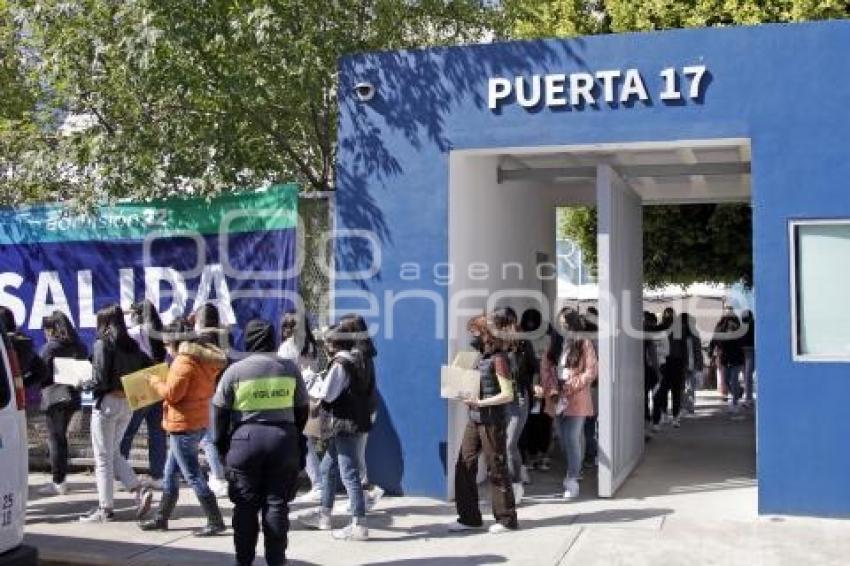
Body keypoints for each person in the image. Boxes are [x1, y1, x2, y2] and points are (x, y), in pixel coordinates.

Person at [212, 319, 309, 566]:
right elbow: (302, 409)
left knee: (245, 507)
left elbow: (220, 413)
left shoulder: (234, 371)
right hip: (282, 440)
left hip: (245, 442)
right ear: (273, 340)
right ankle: (276, 560)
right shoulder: (289, 368)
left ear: (248, 340)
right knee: (277, 504)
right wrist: (293, 436)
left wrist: (222, 446)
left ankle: (243, 561)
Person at [140, 317, 227, 536]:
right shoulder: (202, 359)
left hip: (183, 425)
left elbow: (172, 394)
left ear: (176, 342)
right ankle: (161, 518)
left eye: (167, 343)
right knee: (169, 475)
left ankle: (215, 520)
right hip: (195, 421)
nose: (165, 348)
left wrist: (154, 381)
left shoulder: (183, 361)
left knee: (193, 475)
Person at [300, 317, 375, 540]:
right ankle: (324, 515)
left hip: (343, 423)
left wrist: (310, 381)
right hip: (352, 421)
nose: (325, 346)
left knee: (348, 473)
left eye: (327, 343)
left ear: (335, 344)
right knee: (326, 468)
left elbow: (328, 394)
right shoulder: (361, 358)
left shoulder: (341, 363)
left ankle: (358, 523)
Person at [80, 304, 153, 523]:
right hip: (127, 403)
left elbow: (100, 379)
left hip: (107, 403)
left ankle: (106, 508)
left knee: (102, 457)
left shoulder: (103, 344)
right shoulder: (132, 345)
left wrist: (82, 383)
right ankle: (138, 490)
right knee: (113, 452)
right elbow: (148, 366)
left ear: (103, 322)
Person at [449, 313, 518, 534]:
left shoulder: (499, 359)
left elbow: (508, 394)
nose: (473, 336)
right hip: (475, 418)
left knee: (496, 469)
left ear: (487, 334)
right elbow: (465, 381)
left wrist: (480, 401)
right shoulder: (479, 357)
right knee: (464, 465)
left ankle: (507, 519)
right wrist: (457, 378)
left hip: (492, 421)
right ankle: (468, 517)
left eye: (476, 332)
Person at [543, 308, 598, 500]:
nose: (562, 326)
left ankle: (573, 477)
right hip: (557, 398)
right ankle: (573, 469)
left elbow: (591, 372)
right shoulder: (555, 343)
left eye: (565, 323)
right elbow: (546, 368)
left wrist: (570, 385)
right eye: (560, 323)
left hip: (577, 397)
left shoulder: (584, 343)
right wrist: (551, 387)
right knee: (564, 438)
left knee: (573, 438)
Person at [33, 311, 88, 496]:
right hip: (72, 397)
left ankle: (58, 481)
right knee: (61, 438)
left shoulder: (50, 348)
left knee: (55, 439)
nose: (45, 333)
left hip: (54, 398)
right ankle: (61, 479)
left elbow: (40, 371)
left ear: (51, 329)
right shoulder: (79, 346)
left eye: (46, 330)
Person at [337, 314, 385, 510]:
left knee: (354, 459)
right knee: (358, 456)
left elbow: (356, 386)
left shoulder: (356, 356)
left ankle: (363, 496)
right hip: (368, 409)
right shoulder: (365, 352)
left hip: (360, 411)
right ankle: (365, 495)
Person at [120, 301, 167, 489]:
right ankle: (158, 475)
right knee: (157, 431)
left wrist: (122, 313)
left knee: (128, 431)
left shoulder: (135, 332)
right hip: (160, 378)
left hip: (140, 381)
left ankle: (122, 473)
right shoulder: (159, 331)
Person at [278, 311, 324, 504]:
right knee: (305, 442)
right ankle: (315, 482)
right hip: (310, 398)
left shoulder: (287, 348)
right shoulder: (312, 347)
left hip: (292, 400)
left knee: (301, 443)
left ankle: (317, 483)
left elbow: (281, 374)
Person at [191, 302, 230, 498]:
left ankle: (218, 476)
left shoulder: (201, 340)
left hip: (209, 392)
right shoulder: (224, 336)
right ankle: (220, 474)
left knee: (208, 439)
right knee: (217, 434)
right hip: (224, 390)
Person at [497, 307, 534, 503]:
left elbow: (531, 369)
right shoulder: (495, 343)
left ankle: (515, 484)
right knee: (506, 446)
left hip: (517, 397)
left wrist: (534, 386)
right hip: (498, 399)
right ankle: (514, 480)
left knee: (509, 444)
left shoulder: (522, 343)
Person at [518, 309, 552, 475]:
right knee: (529, 422)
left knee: (545, 421)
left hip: (544, 386)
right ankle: (531, 454)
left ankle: (543, 453)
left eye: (534, 322)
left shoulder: (547, 339)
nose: (531, 325)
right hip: (529, 387)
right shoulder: (521, 340)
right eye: (528, 322)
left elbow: (551, 363)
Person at [0, 306, 47, 400]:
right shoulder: (23, 342)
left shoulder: (7, 343)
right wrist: (19, 385)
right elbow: (42, 371)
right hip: (12, 398)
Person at [652, 308, 686, 432]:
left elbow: (683, 347)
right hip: (671, 361)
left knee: (668, 389)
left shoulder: (669, 328)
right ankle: (672, 415)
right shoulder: (679, 328)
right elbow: (684, 347)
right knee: (671, 390)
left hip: (669, 361)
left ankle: (669, 415)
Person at [710, 312, 746, 417]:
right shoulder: (721, 328)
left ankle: (735, 403)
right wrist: (711, 350)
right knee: (726, 380)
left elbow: (742, 342)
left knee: (733, 380)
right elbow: (715, 339)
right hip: (725, 358)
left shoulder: (739, 330)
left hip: (736, 359)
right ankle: (739, 391)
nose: (730, 323)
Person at [581, 306, 599, 469]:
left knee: (586, 422)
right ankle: (590, 454)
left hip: (587, 384)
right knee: (590, 422)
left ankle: (589, 453)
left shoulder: (582, 338)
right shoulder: (600, 337)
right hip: (593, 384)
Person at [683, 313, 704, 414]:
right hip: (691, 363)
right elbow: (698, 351)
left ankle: (685, 405)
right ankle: (689, 406)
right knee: (690, 386)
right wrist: (700, 365)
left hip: (683, 363)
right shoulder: (695, 334)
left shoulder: (679, 334)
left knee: (683, 386)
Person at [741, 310, 756, 407]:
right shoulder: (753, 325)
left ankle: (748, 398)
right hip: (747, 351)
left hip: (750, 351)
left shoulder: (747, 326)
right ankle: (748, 397)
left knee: (747, 375)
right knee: (747, 376)